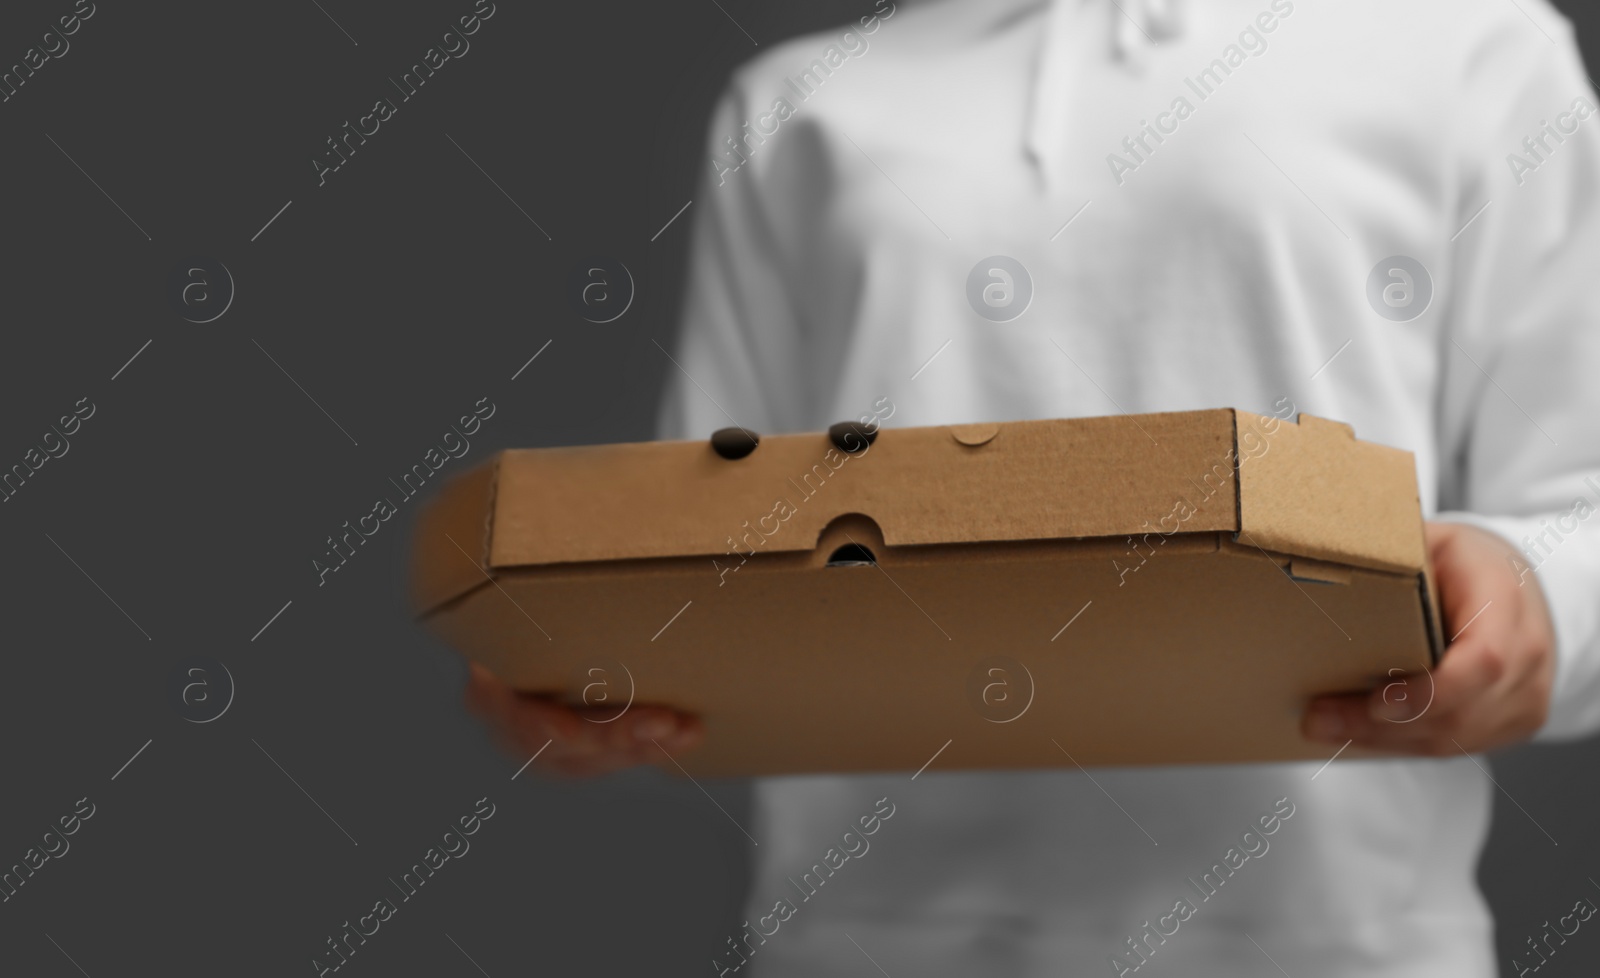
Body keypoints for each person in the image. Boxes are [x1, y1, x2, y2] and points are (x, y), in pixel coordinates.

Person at [466, 0, 1600, 973]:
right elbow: (713, 527)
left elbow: (1583, 505)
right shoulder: (797, 107)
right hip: (863, 938)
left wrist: (1534, 607)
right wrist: (593, 660)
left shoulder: (1471, 46)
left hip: (1340, 942)